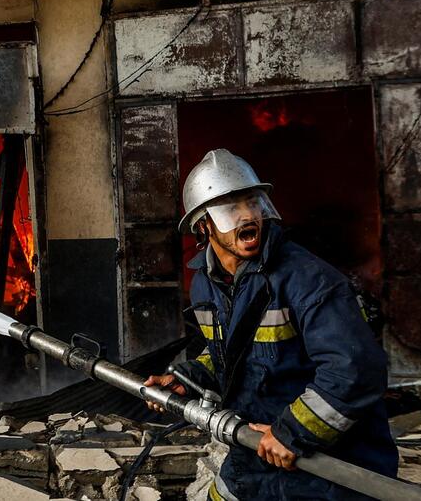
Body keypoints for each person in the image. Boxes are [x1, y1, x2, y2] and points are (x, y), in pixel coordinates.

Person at [144, 149, 397, 500]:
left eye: (252, 203)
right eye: (232, 209)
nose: (248, 216)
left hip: (329, 465)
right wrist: (189, 378)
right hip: (255, 452)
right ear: (204, 225)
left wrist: (292, 432)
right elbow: (228, 353)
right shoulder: (205, 283)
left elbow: (355, 370)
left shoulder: (309, 279)